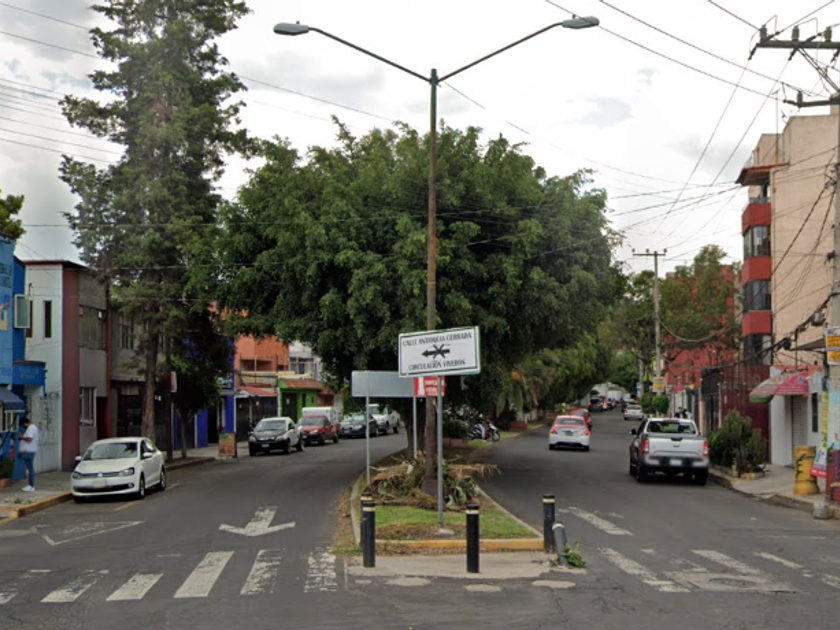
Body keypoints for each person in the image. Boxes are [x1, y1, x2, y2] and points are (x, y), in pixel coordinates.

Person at [18, 416, 39, 492]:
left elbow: (29, 439)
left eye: (23, 425)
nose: (23, 427)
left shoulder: (31, 428)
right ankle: (30, 485)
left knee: (30, 468)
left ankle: (31, 485)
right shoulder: (33, 428)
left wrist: (21, 437)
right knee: (30, 468)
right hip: (30, 450)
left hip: (29, 451)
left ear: (25, 423)